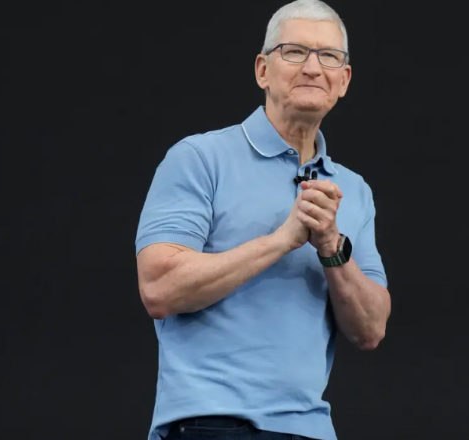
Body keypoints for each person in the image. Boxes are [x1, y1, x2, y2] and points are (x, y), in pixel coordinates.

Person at [134, 1, 391, 439]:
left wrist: (332, 247)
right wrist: (283, 239)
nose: (313, 67)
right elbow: (159, 289)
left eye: (329, 56)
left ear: (344, 80)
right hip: (211, 423)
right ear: (262, 70)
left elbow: (371, 329)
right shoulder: (200, 158)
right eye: (295, 51)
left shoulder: (354, 190)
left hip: (311, 429)